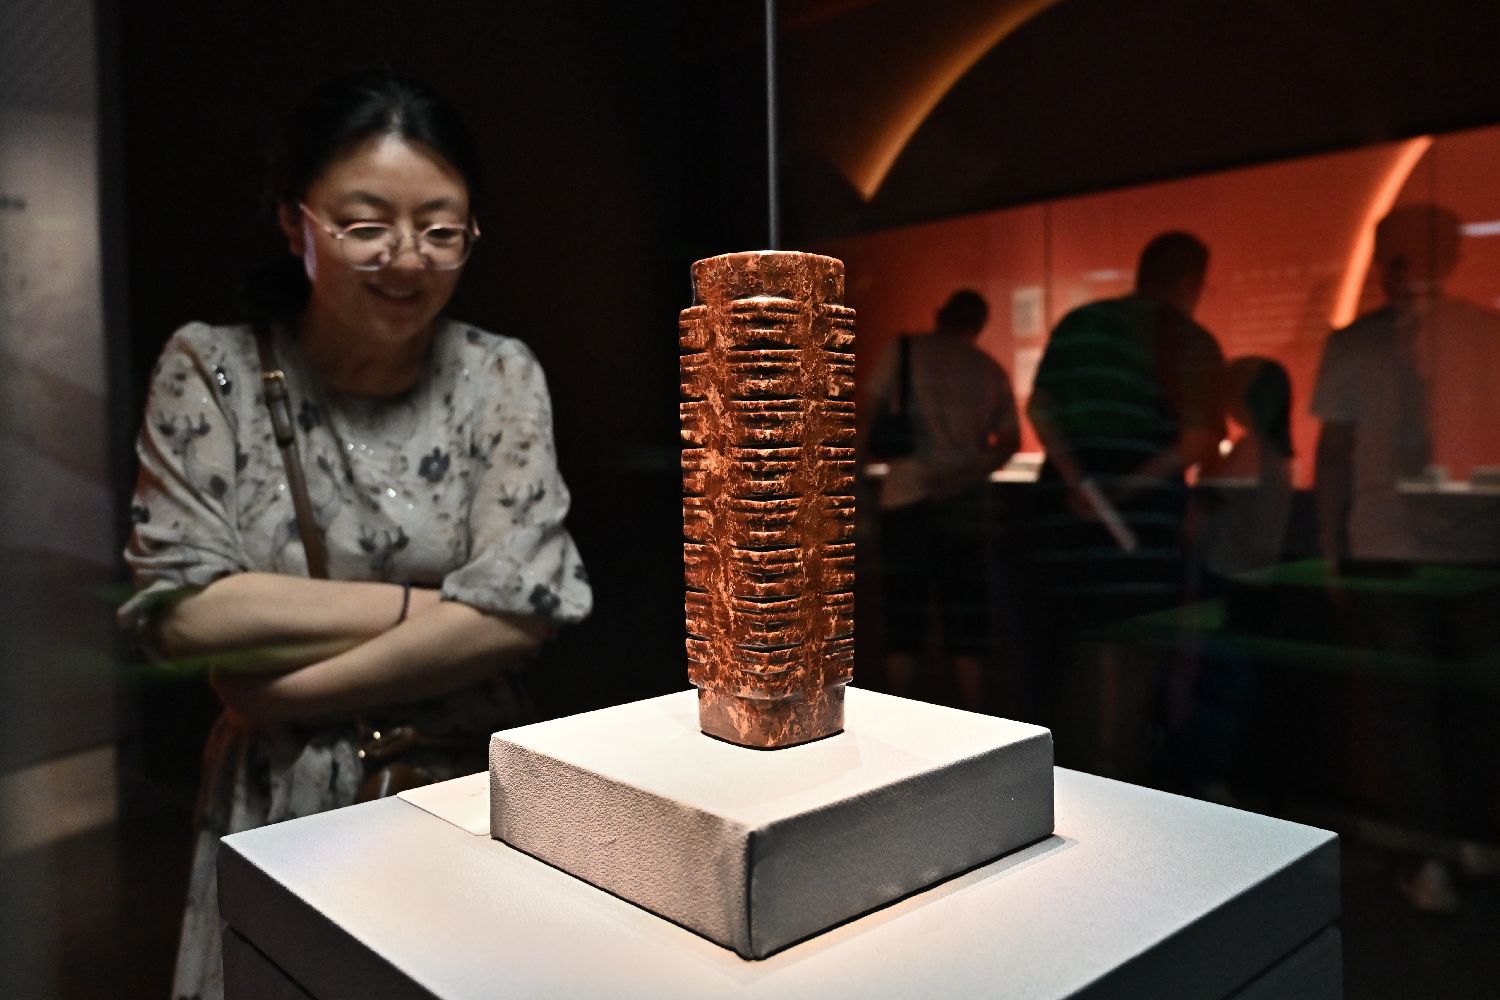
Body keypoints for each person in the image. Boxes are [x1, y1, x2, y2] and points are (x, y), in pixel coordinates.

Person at [117, 71, 591, 1000]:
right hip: (279, 800)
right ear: (294, 221)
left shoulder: (497, 375)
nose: (407, 260)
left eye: (441, 230)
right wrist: (433, 607)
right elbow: (179, 614)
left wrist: (275, 690)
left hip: (464, 794)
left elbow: (523, 615)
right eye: (366, 225)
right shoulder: (211, 368)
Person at [1024, 232, 1224, 764]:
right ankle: (1114, 786)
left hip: (1064, 528)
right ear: (1190, 284)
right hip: (1143, 535)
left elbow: (1041, 407)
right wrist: (1120, 493)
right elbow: (1197, 441)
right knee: (1131, 661)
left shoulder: (1082, 323)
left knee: (1074, 659)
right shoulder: (1190, 340)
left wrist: (1080, 483)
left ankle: (1064, 786)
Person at [865, 289, 1020, 711]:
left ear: (941, 313)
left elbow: (868, 413)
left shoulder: (905, 349)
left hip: (905, 499)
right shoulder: (989, 369)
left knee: (903, 622)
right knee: (966, 623)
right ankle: (977, 720)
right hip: (964, 505)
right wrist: (963, 474)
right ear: (980, 324)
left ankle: (898, 718)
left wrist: (854, 480)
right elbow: (1009, 441)